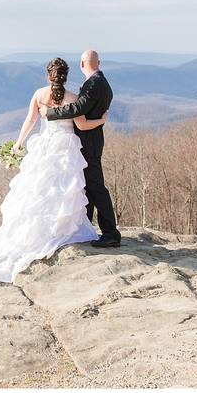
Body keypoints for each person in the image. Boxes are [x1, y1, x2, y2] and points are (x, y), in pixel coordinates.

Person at [0, 57, 107, 283]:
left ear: (48, 75)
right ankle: (61, 230)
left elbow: (30, 120)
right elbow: (82, 125)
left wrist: (18, 143)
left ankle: (38, 232)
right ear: (66, 75)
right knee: (64, 188)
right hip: (65, 148)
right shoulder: (73, 97)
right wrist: (101, 120)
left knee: (38, 190)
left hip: (45, 144)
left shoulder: (39, 94)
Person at [45, 49, 121, 247]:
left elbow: (78, 109)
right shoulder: (101, 82)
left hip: (89, 142)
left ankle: (111, 233)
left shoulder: (94, 83)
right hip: (92, 140)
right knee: (86, 186)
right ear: (99, 62)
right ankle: (85, 229)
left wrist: (51, 112)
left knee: (95, 187)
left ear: (81, 64)